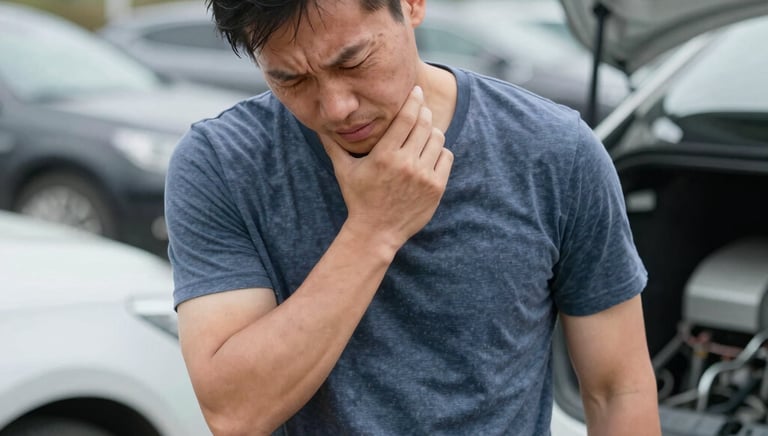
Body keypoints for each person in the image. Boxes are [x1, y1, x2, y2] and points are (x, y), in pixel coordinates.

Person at [164, 0, 661, 434]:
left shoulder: (553, 151)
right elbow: (235, 412)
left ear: (412, 4)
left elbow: (618, 391)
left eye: (354, 61)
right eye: (289, 79)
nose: (336, 108)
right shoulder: (221, 164)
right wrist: (375, 228)